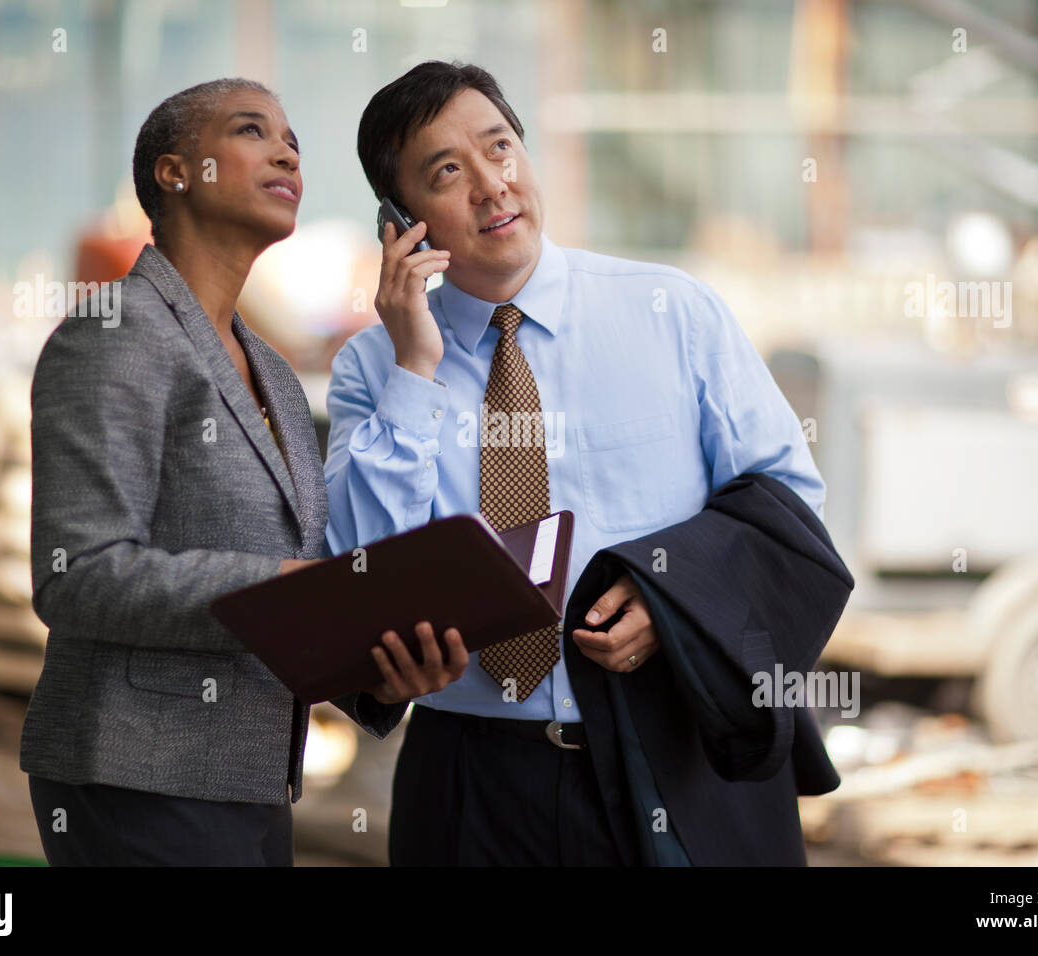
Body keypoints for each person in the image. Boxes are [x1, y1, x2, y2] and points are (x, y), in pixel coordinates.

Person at [325, 61, 830, 865]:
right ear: (399, 221)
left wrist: (673, 600)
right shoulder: (372, 369)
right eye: (447, 173)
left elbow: (789, 502)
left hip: (668, 752)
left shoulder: (671, 312)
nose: (493, 186)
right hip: (471, 776)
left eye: (500, 148)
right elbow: (368, 574)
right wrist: (414, 369)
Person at [20, 78, 467, 866]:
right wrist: (287, 591)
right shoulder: (114, 331)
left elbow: (297, 596)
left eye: (293, 137)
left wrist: (381, 678)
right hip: (138, 773)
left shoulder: (276, 376)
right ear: (175, 173)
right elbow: (77, 575)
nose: (287, 149)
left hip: (254, 778)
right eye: (252, 130)